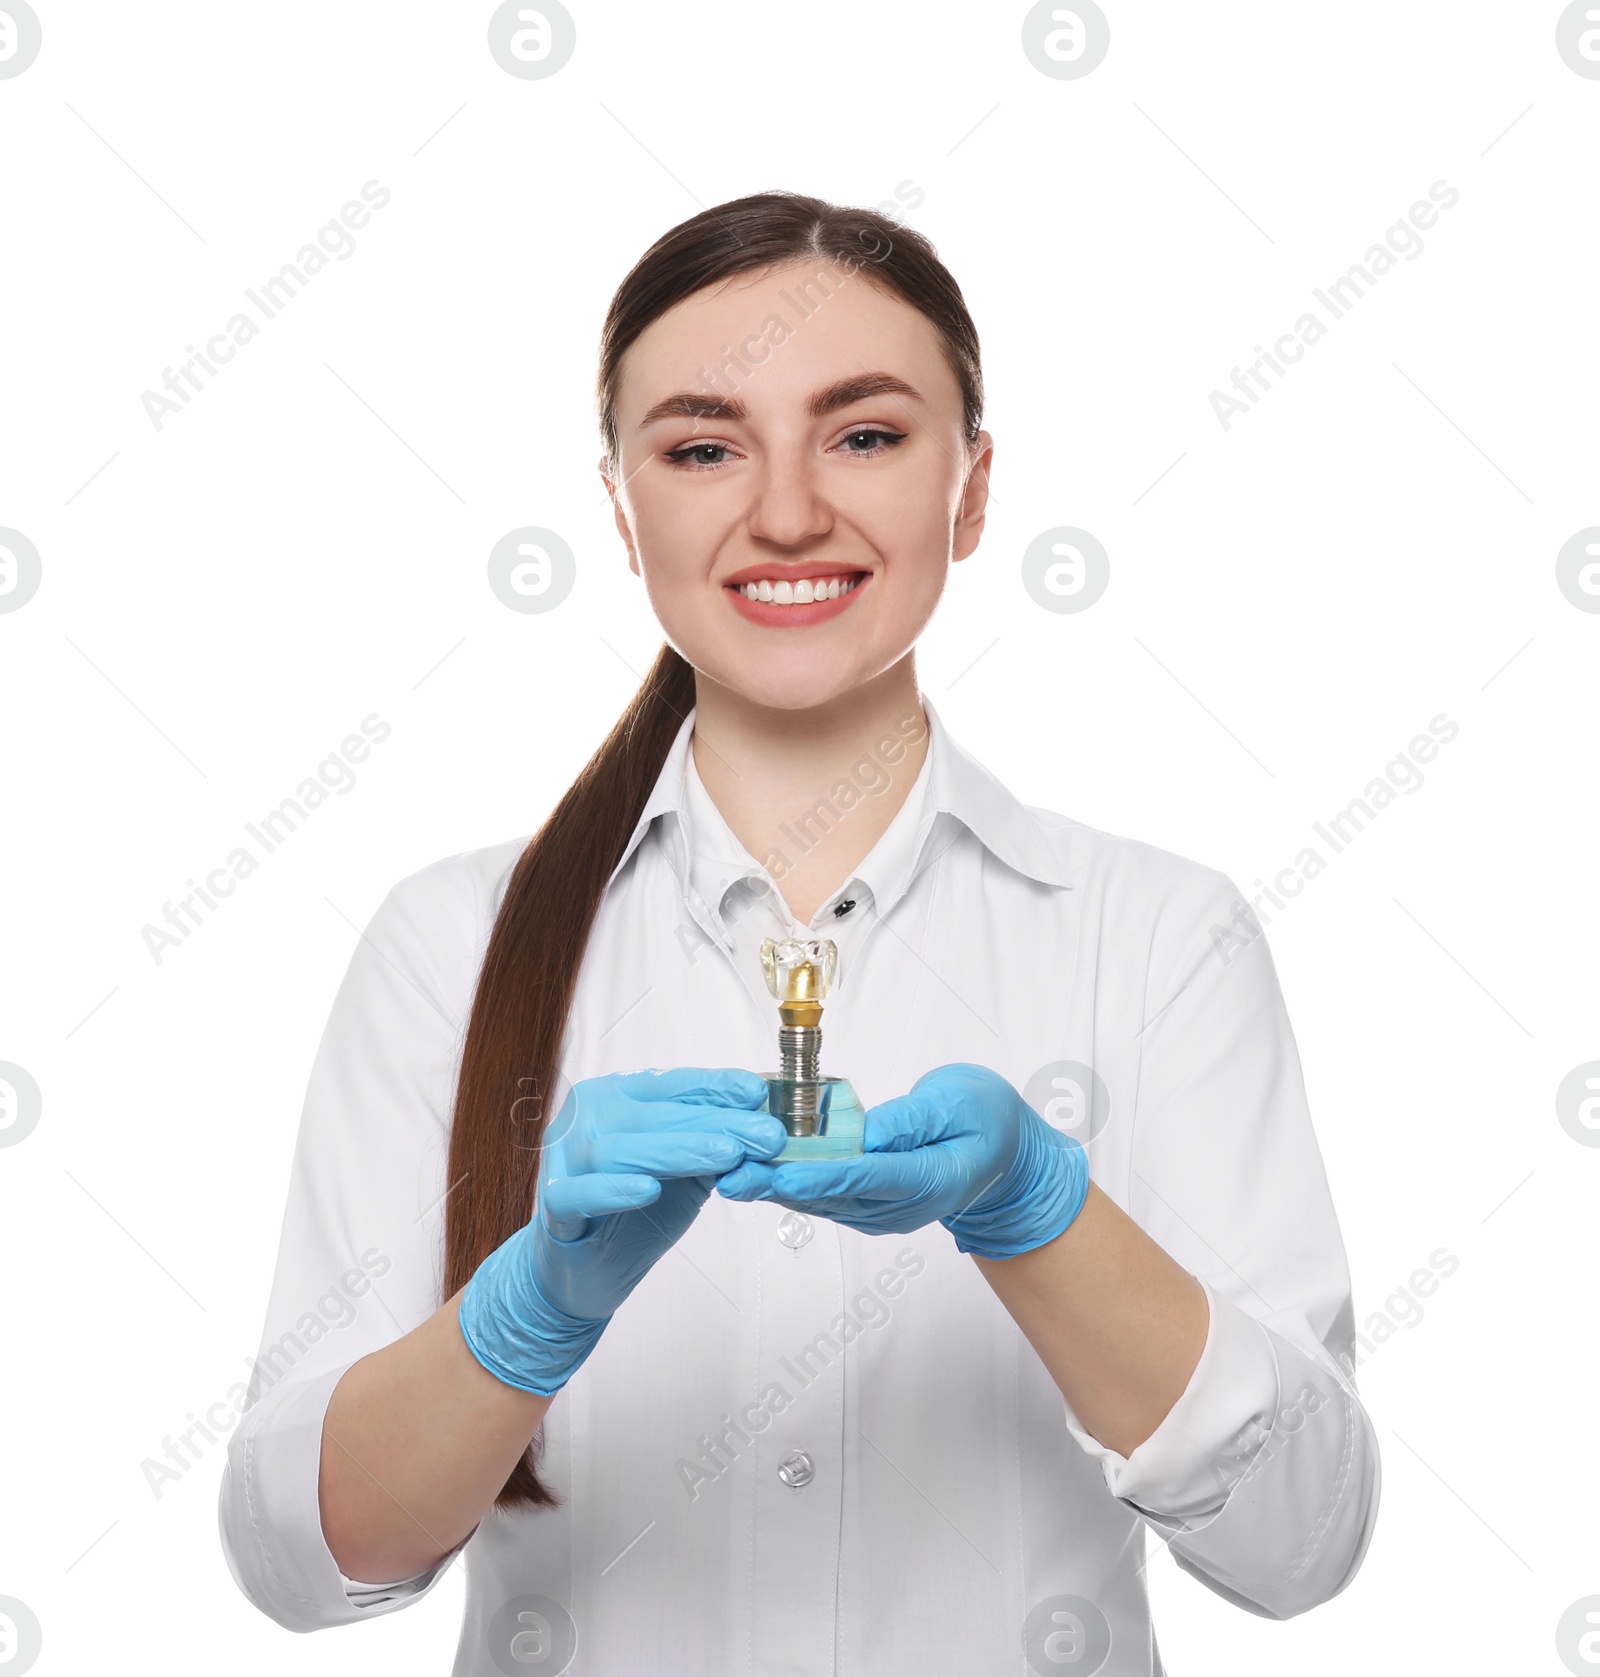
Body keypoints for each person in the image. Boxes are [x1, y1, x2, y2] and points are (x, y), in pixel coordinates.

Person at [219, 191, 1379, 1674]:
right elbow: (298, 1560)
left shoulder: (1160, 939)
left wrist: (1043, 1214)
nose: (783, 513)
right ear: (621, 503)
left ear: (971, 490)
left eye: (867, 434)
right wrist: (526, 1315)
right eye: (703, 447)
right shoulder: (447, 945)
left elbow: (1303, 1542)